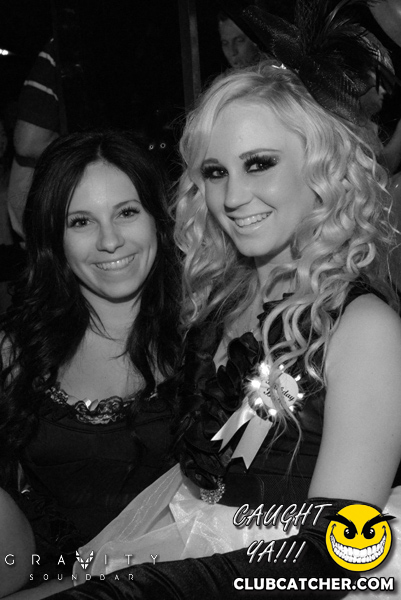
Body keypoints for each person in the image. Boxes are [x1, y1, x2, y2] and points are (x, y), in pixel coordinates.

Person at [41, 55, 401, 600]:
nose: (232, 197)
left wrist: (135, 591)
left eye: (259, 163)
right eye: (215, 172)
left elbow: (334, 551)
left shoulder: (365, 329)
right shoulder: (219, 302)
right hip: (186, 547)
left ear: (322, 166)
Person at [0, 130, 181, 597]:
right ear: (53, 237)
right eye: (80, 221)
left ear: (157, 218)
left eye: (126, 212)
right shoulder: (17, 351)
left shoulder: (208, 341)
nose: (110, 240)